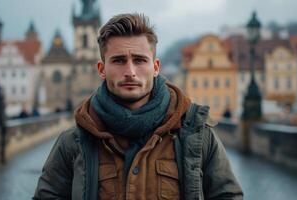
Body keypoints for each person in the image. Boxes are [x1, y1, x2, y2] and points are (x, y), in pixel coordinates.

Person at [34, 13, 243, 199]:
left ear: (155, 67)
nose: (130, 71)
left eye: (140, 60)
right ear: (101, 69)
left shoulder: (196, 135)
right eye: (118, 61)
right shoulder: (74, 142)